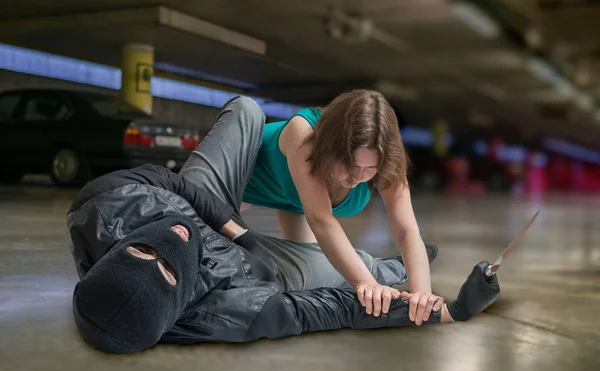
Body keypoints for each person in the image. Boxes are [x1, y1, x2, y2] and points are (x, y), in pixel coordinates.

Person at [67, 96, 501, 354]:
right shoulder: (224, 312)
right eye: (167, 268)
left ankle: (396, 269)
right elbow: (319, 300)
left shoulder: (101, 211)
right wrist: (429, 308)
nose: (173, 239)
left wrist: (233, 228)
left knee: (245, 108)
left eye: (142, 250)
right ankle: (395, 268)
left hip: (217, 203)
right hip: (253, 242)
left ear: (113, 255)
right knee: (330, 274)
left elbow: (165, 179)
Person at [242, 89, 439, 321]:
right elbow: (321, 219)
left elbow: (406, 229)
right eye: (351, 165)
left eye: (369, 169)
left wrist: (422, 294)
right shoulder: (304, 133)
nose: (357, 177)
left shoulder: (388, 160)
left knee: (310, 276)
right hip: (247, 182)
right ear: (329, 147)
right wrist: (366, 283)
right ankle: (380, 270)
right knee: (227, 262)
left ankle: (385, 269)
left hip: (295, 203)